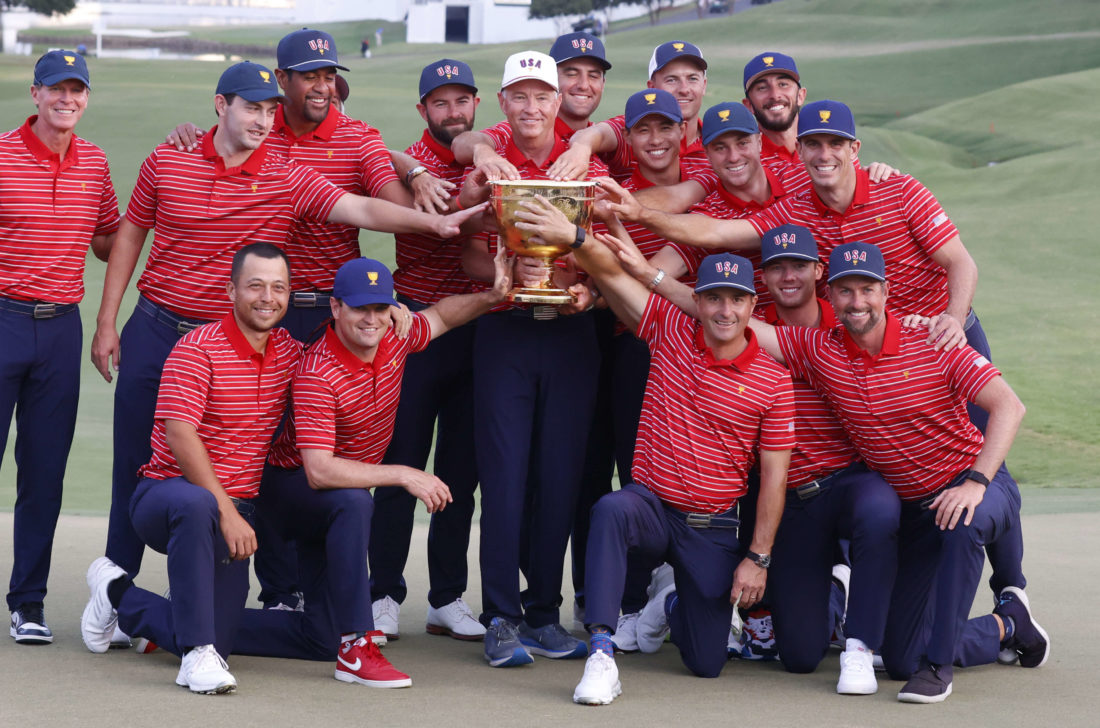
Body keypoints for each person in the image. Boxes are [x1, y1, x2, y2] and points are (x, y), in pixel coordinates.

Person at [90, 59, 482, 595]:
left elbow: (361, 209)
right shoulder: (168, 158)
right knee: (135, 462)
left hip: (220, 343)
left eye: (270, 110)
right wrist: (108, 320)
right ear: (220, 106)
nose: (262, 120)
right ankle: (114, 584)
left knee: (238, 467)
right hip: (154, 326)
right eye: (252, 108)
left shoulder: (287, 174)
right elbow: (132, 234)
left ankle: (235, 587)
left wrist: (433, 222)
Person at [515, 200, 794, 703]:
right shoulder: (670, 332)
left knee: (707, 662)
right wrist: (577, 238)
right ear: (699, 302)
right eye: (713, 299)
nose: (724, 311)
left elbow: (774, 479)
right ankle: (602, 652)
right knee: (611, 509)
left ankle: (670, 606)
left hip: (712, 526)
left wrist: (758, 557)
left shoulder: (773, 382)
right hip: (651, 507)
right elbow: (612, 275)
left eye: (736, 300)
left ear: (753, 306)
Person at [744, 241, 1048, 703]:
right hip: (917, 513)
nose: (857, 301)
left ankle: (938, 668)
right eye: (845, 292)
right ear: (831, 296)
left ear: (886, 292)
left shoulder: (933, 339)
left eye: (867, 289)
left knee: (961, 527)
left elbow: (1009, 406)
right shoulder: (822, 350)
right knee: (899, 656)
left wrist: (977, 481)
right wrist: (654, 279)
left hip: (974, 489)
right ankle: (1007, 627)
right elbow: (735, 321)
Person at [229, 250, 512, 686]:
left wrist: (492, 296)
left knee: (319, 636)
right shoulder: (318, 371)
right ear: (336, 307)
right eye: (361, 307)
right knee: (355, 502)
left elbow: (441, 316)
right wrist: (403, 473)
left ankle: (182, 618)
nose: (372, 319)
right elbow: (319, 471)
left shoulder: (395, 336)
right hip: (283, 496)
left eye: (381, 308)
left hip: (326, 497)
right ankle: (358, 645)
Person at [80, 244, 302, 695]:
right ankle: (195, 652)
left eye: (278, 287)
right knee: (198, 503)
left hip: (229, 511)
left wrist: (395, 319)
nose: (267, 297)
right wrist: (230, 512)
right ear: (231, 289)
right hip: (165, 497)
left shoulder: (291, 354)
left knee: (224, 636)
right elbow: (180, 435)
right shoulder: (198, 346)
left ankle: (118, 595)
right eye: (255, 285)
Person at [455, 50, 607, 668]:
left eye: (542, 96)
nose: (532, 108)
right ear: (504, 104)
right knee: (506, 477)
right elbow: (465, 246)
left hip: (572, 331)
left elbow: (611, 246)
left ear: (557, 100)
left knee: (560, 476)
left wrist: (589, 290)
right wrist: (500, 275)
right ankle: (501, 616)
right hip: (505, 331)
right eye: (519, 96)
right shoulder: (489, 154)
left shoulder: (584, 157)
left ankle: (544, 612)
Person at [2, 49, 120, 645]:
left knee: (45, 474)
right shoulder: (1, 156)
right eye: (56, 89)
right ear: (36, 94)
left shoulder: (94, 163)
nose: (67, 99)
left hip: (60, 330)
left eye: (77, 91)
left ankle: (28, 602)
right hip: (3, 319)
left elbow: (105, 240)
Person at [366, 59, 487, 642]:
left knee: (461, 471)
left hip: (478, 324)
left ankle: (447, 596)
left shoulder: (489, 152)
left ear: (476, 105)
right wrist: (412, 167)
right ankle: (383, 591)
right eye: (440, 102)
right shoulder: (404, 165)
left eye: (462, 100)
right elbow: (375, 152)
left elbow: (475, 148)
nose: (453, 111)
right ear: (423, 111)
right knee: (400, 463)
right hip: (411, 324)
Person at [450, 31, 612, 180]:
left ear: (603, 84)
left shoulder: (605, 139)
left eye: (593, 75)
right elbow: (462, 143)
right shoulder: (522, 127)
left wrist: (584, 145)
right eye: (571, 74)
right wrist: (482, 150)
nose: (584, 85)